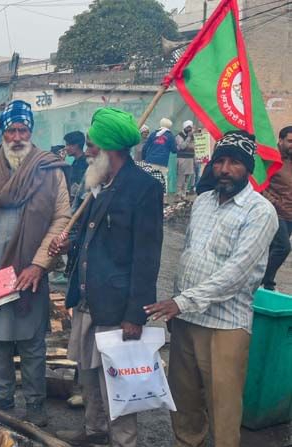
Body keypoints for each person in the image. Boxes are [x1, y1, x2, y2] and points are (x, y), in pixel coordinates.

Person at [145, 131, 278, 447]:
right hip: (187, 320)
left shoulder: (260, 212)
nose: (225, 169)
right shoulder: (203, 201)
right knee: (184, 402)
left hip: (225, 325)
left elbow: (236, 274)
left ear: (248, 167)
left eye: (234, 162)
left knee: (223, 408)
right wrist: (178, 307)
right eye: (220, 161)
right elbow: (189, 254)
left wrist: (181, 301)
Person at [50, 108, 164, 447]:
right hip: (87, 297)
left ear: (110, 148)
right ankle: (94, 431)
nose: (86, 151)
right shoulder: (99, 183)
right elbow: (89, 234)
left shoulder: (144, 188)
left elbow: (147, 257)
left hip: (117, 304)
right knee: (87, 372)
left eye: (91, 144)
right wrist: (69, 242)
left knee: (117, 379)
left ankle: (122, 441)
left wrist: (135, 313)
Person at [0, 100, 71, 426]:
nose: (18, 136)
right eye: (12, 130)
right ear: (3, 132)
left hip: (29, 273)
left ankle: (35, 404)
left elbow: (61, 218)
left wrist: (38, 265)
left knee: (32, 340)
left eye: (23, 130)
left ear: (31, 132)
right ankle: (4, 396)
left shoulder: (49, 170)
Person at [261, 125, 292, 291]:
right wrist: (273, 202)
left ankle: (267, 283)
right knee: (283, 247)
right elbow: (260, 184)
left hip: (289, 215)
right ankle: (264, 280)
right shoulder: (271, 159)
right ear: (280, 140)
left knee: (273, 249)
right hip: (274, 212)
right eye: (290, 141)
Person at [141, 118, 176, 183]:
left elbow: (145, 148)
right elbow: (174, 150)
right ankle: (161, 193)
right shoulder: (170, 136)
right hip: (163, 162)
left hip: (150, 160)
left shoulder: (153, 134)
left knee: (150, 179)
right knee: (161, 180)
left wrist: (143, 158)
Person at [63, 131, 88, 201]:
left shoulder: (84, 163)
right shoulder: (75, 162)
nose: (66, 148)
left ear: (76, 145)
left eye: (68, 145)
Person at [176, 120, 196, 196]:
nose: (189, 129)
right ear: (184, 127)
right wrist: (189, 137)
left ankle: (183, 194)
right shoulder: (179, 135)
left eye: (190, 127)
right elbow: (182, 146)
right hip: (182, 158)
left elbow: (193, 147)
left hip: (190, 159)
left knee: (187, 177)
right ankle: (178, 193)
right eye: (188, 127)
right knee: (181, 177)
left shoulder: (192, 136)